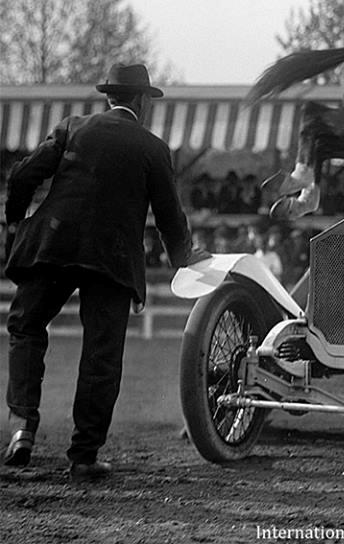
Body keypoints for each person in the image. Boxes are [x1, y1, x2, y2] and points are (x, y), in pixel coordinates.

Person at [2, 63, 204, 480]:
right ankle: (83, 455)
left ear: (109, 96)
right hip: (110, 258)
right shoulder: (152, 148)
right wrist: (185, 256)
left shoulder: (73, 127)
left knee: (26, 327)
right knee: (102, 355)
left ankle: (22, 425)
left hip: (53, 244)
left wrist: (15, 222)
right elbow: (170, 217)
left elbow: (23, 176)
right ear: (143, 100)